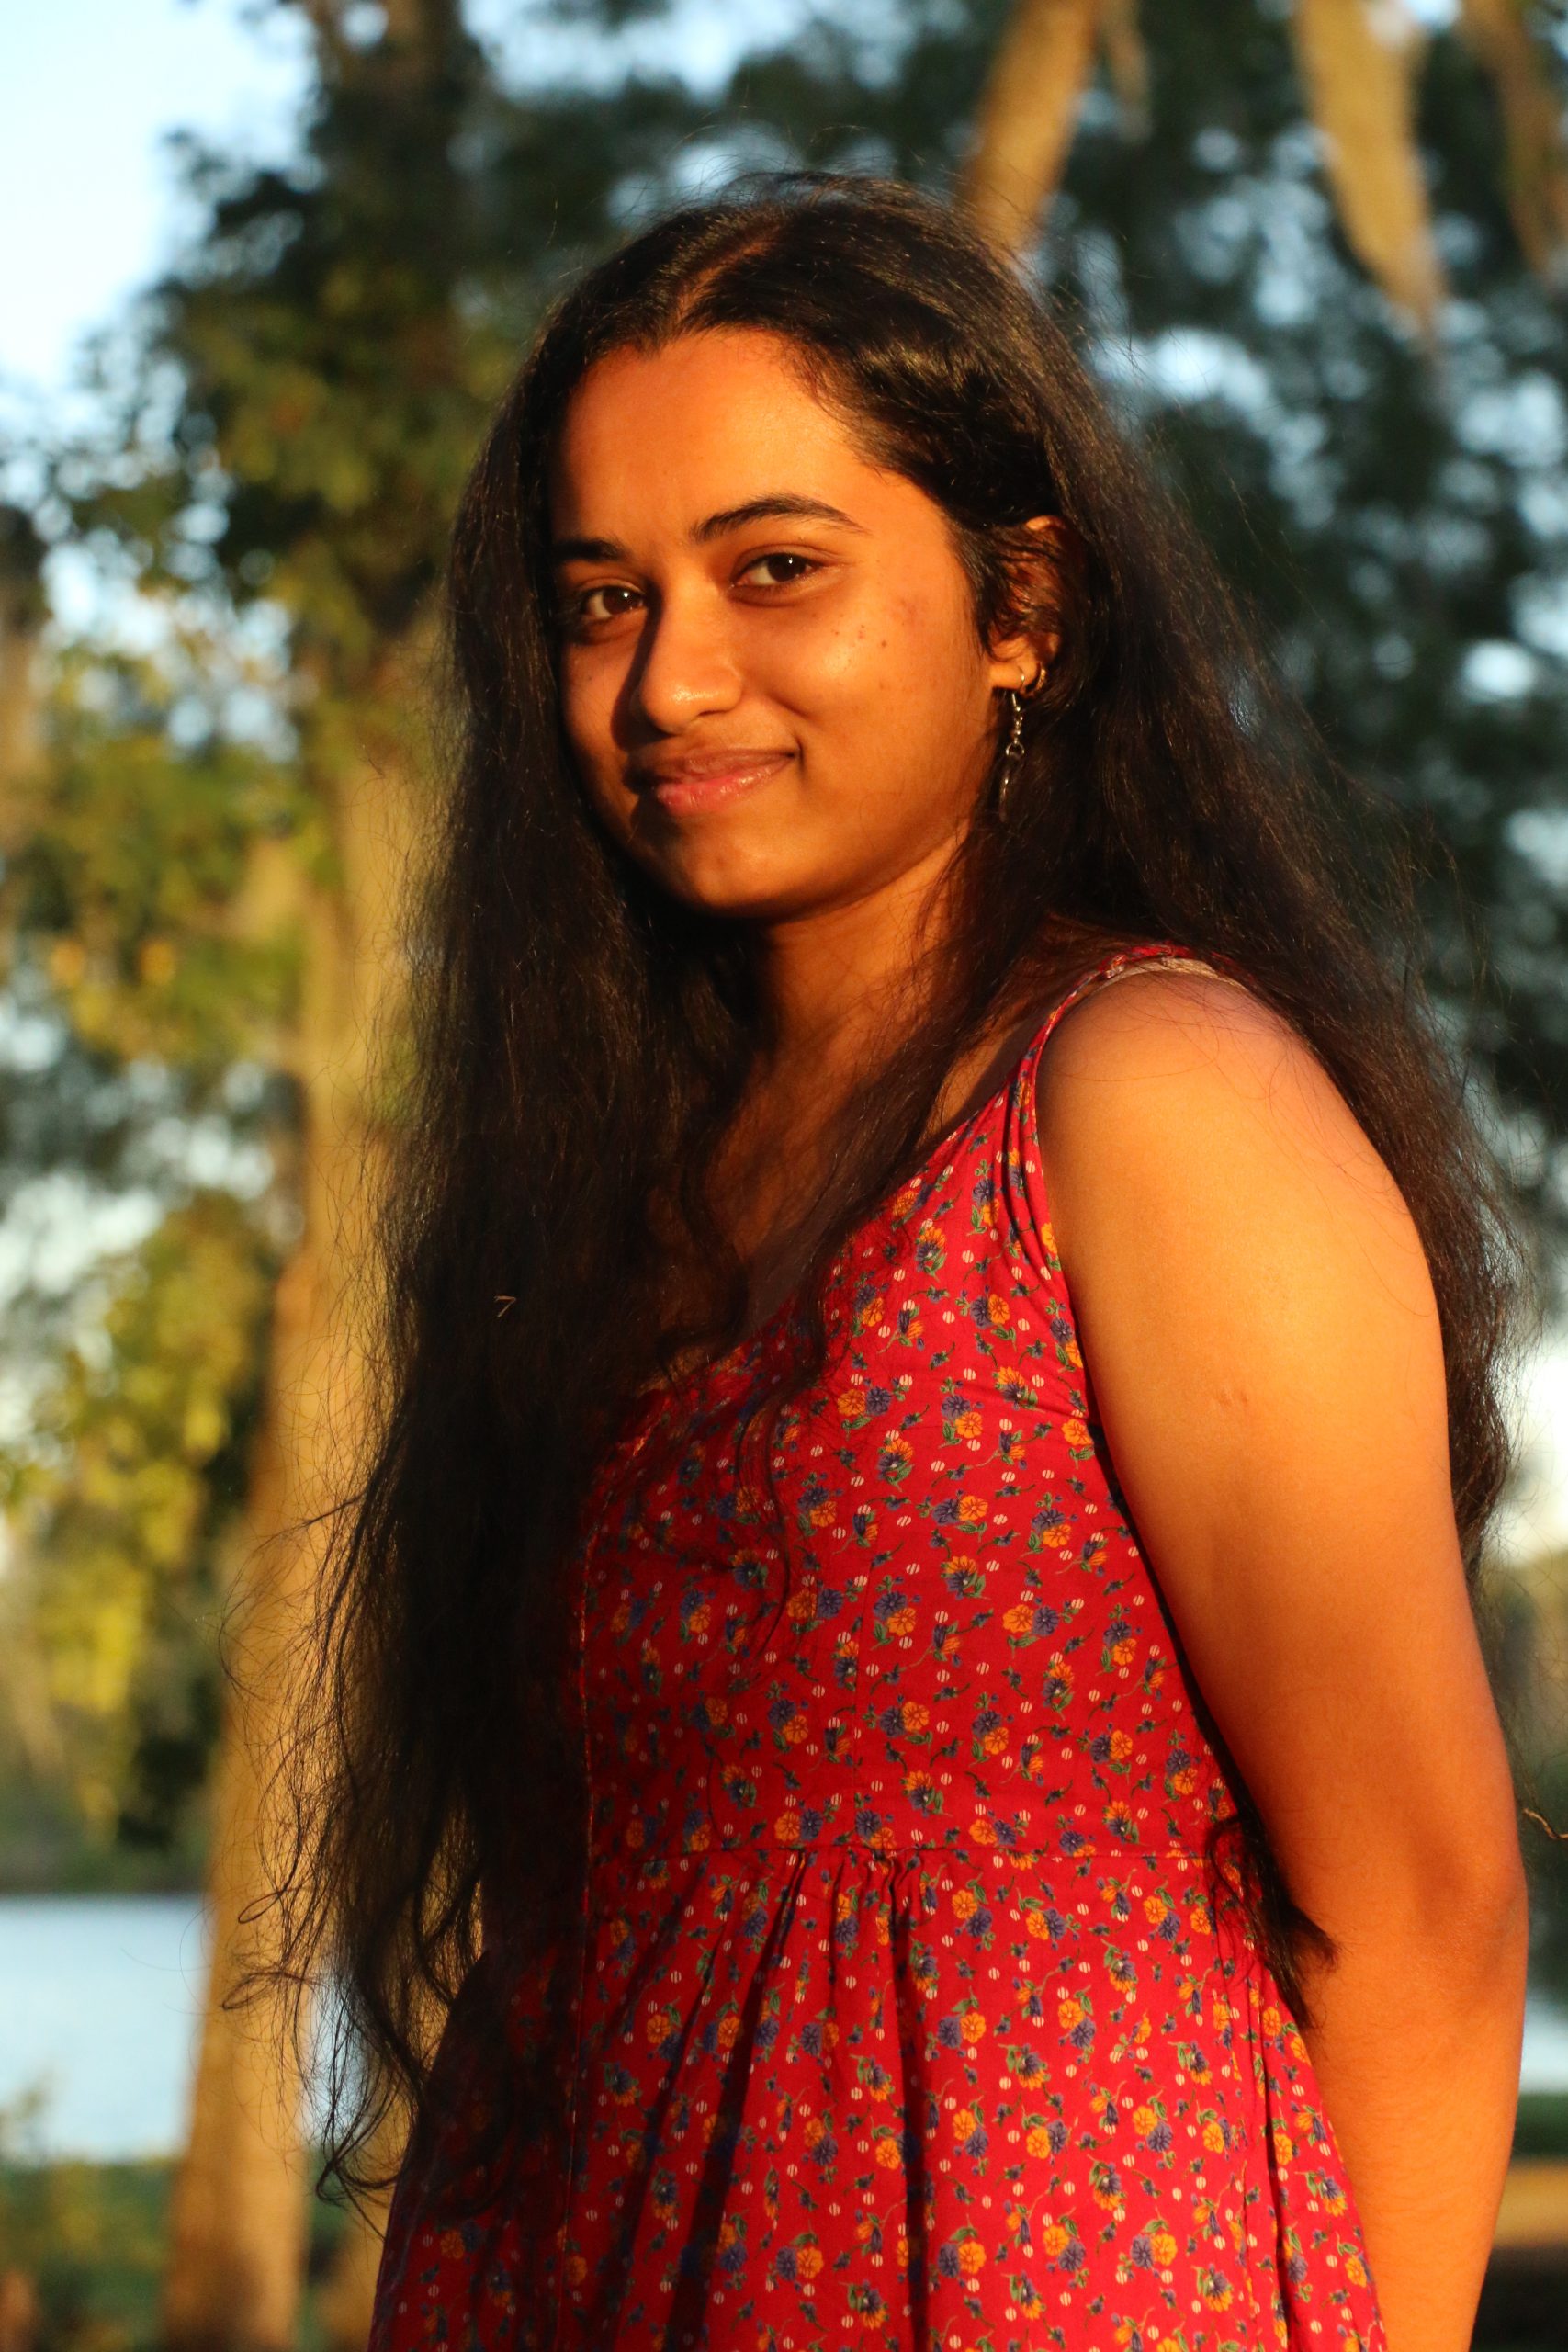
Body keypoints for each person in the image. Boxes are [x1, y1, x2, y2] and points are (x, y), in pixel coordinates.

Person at [288, 175, 1530, 2351]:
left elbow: (1418, 1915)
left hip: (1041, 2272)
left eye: (773, 568)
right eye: (600, 600)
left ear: (1020, 602)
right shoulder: (617, 1180)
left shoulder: (1142, 1096)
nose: (669, 679)